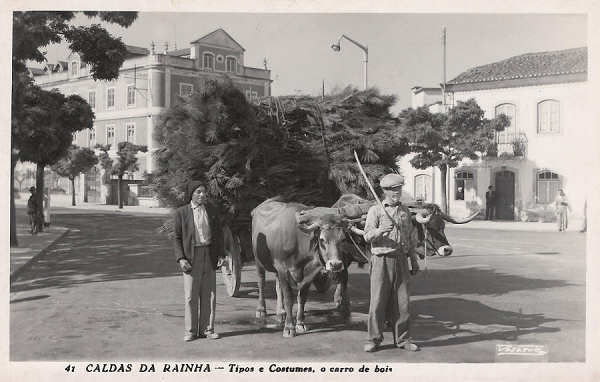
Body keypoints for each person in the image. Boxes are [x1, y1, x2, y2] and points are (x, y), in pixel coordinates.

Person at [361, 173, 420, 353]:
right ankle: (374, 339)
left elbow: (409, 237)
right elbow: (366, 236)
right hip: (381, 260)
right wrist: (380, 230)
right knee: (378, 301)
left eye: (399, 189)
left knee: (403, 303)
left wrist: (413, 260)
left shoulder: (404, 211)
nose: (397, 193)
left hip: (401, 259)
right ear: (385, 191)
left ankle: (403, 340)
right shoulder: (376, 210)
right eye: (393, 190)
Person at [173, 180, 224, 342]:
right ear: (191, 194)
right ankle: (191, 331)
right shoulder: (181, 213)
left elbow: (218, 234)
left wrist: (221, 255)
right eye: (198, 192)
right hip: (190, 256)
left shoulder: (212, 210)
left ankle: (207, 329)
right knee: (191, 295)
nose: (202, 195)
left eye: (204, 192)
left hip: (209, 254)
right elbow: (177, 237)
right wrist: (181, 258)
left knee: (209, 294)